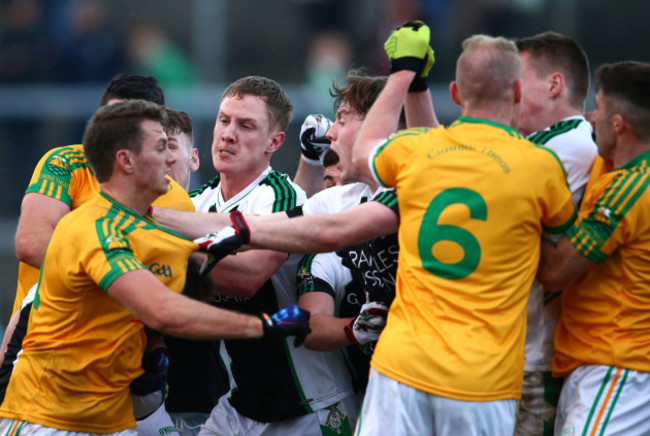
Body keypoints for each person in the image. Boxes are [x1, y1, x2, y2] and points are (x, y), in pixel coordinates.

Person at [0, 100, 309, 434]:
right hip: (49, 419)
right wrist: (263, 326)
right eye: (161, 148)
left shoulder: (151, 233)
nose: (170, 159)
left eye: (171, 146)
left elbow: (225, 254)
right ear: (126, 161)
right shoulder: (94, 228)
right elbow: (164, 311)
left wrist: (306, 217)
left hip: (114, 419)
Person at [347, 25, 577, 436]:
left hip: (402, 367)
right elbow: (559, 245)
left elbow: (364, 151)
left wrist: (403, 72)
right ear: (518, 92)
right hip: (482, 382)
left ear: (455, 93)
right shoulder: (541, 167)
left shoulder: (417, 148)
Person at [157, 76, 357, 436]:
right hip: (242, 404)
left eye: (246, 125)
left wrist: (151, 238)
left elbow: (249, 277)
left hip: (310, 403)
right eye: (223, 120)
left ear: (274, 142)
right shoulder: (198, 202)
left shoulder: (282, 195)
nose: (228, 134)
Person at [537, 61, 650, 436]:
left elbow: (556, 270)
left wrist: (514, 207)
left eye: (598, 108)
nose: (589, 117)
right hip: (594, 364)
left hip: (617, 368)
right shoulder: (617, 165)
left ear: (619, 124)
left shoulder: (631, 188)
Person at [513, 31, 598, 435]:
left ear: (554, 84)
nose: (508, 91)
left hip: (534, 359)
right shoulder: (545, 145)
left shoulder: (567, 146)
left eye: (518, 78)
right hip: (522, 354)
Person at [160, 108, 230, 435]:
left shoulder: (215, 216)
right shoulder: (105, 224)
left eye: (171, 146)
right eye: (152, 148)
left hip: (199, 401)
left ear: (194, 159)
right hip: (119, 400)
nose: (162, 158)